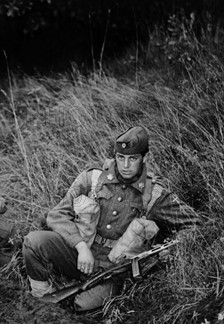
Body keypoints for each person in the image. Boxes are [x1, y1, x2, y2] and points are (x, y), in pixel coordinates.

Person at [22, 126, 200, 311]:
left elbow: (194, 224)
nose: (125, 165)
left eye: (133, 159)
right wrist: (80, 246)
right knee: (34, 242)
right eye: (120, 157)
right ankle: (41, 301)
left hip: (115, 270)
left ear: (144, 158)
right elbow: (57, 215)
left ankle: (70, 301)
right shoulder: (92, 178)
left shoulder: (154, 193)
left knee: (81, 305)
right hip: (80, 254)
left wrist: (168, 251)